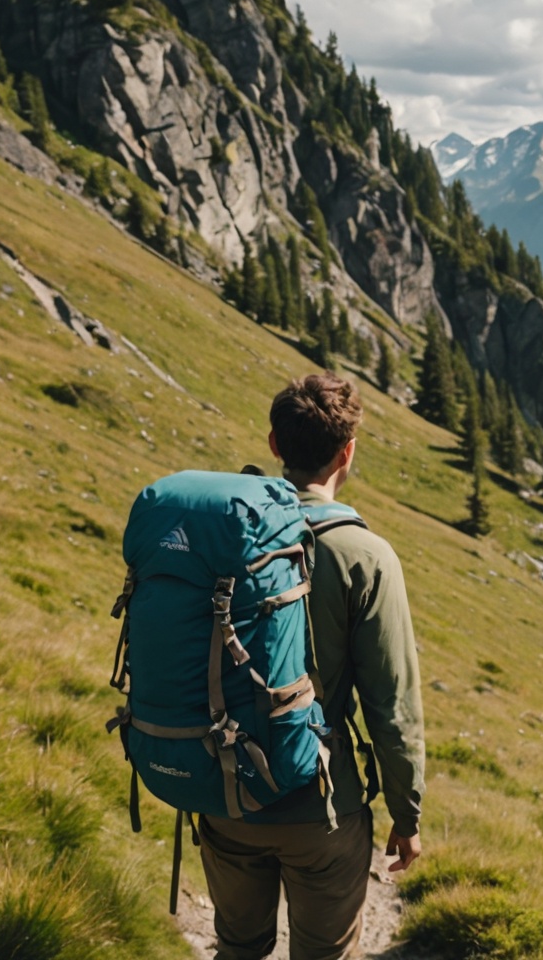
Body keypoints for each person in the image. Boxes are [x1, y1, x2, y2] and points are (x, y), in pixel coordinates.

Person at [195, 374, 427, 960]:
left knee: (237, 949)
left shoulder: (225, 535)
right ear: (347, 451)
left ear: (274, 444)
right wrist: (406, 812)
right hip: (323, 803)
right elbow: (390, 702)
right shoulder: (365, 555)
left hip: (227, 792)